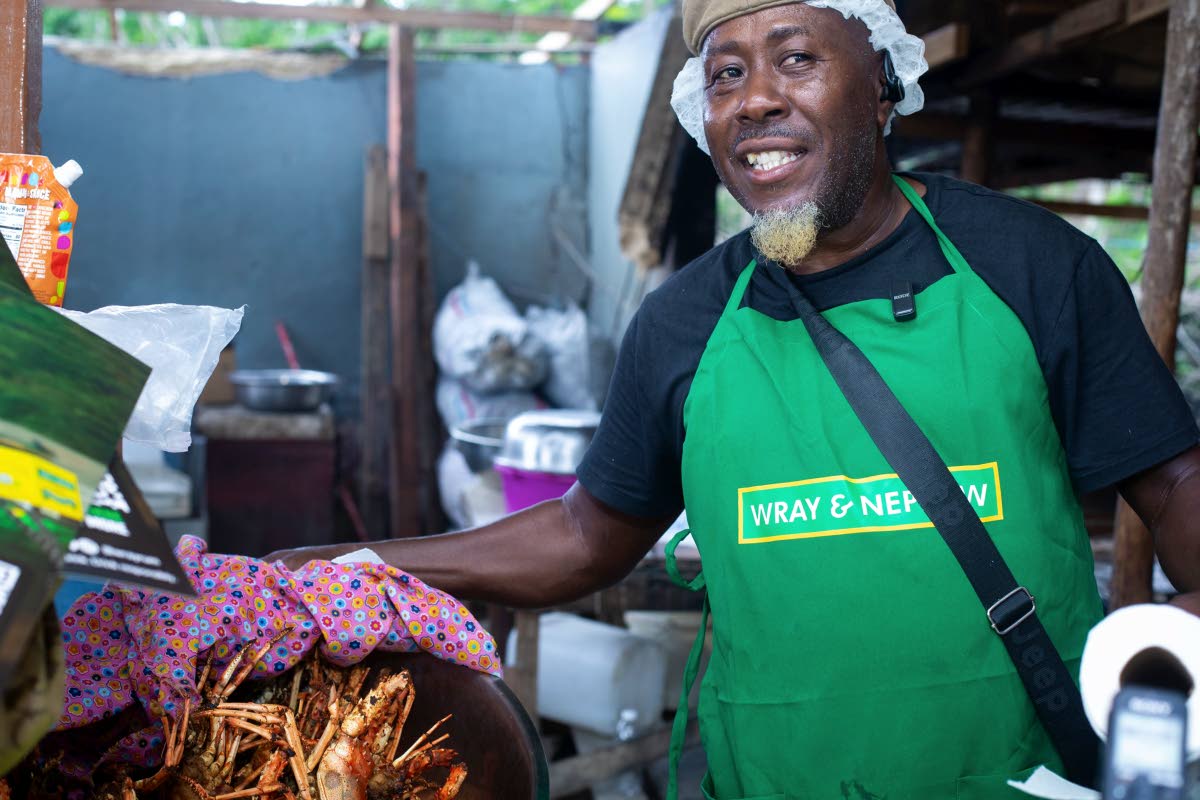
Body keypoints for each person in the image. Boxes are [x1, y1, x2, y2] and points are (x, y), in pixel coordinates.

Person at [272, 1, 1200, 796]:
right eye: (724, 76)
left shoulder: (1029, 265)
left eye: (797, 58)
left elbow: (1171, 481)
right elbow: (589, 534)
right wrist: (351, 561)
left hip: (1021, 776)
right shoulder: (683, 324)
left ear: (880, 83)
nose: (755, 99)